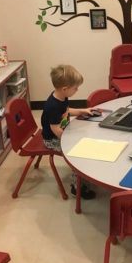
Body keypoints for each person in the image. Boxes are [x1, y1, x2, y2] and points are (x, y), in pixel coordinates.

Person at [41, 64, 96, 199]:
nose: (77, 90)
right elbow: (55, 129)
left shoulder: (62, 97)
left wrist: (82, 111)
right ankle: (77, 188)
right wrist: (70, 142)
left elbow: (66, 110)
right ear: (65, 89)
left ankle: (84, 177)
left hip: (62, 133)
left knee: (84, 143)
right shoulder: (53, 106)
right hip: (52, 140)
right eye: (75, 88)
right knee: (77, 154)